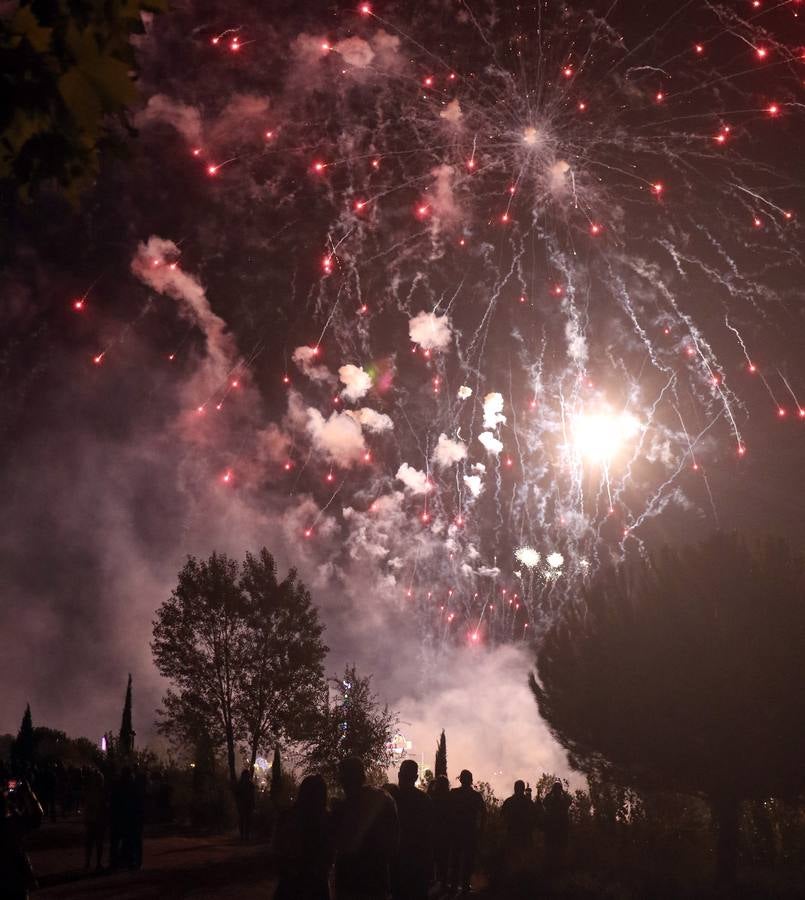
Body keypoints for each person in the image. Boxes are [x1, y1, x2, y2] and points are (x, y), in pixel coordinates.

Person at [331, 756, 399, 900]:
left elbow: (334, 843)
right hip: (376, 881)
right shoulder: (384, 799)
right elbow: (393, 843)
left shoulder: (342, 808)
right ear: (363, 776)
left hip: (349, 882)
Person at [274, 774, 331, 900]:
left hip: (290, 882)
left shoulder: (288, 817)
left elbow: (278, 848)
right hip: (316, 884)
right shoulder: (327, 820)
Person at [392, 760, 432, 900]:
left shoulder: (391, 798)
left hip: (397, 861)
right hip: (417, 862)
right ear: (415, 778)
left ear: (399, 775)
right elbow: (429, 834)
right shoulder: (424, 800)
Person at [0, 778, 43, 899]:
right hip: (14, 878)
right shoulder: (10, 824)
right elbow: (36, 817)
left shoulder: (10, 822)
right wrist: (28, 793)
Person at [448, 770, 485, 895]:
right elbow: (484, 813)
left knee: (455, 860)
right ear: (470, 780)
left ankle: (454, 886)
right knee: (468, 860)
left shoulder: (453, 793)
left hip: (456, 832)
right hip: (470, 833)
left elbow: (446, 812)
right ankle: (464, 886)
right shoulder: (476, 796)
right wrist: (481, 829)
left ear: (461, 779)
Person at [542, 781, 572, 873]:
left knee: (555, 852)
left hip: (555, 832)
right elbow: (569, 800)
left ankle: (554, 871)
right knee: (559, 852)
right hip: (558, 832)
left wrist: (552, 792)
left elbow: (545, 802)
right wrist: (563, 791)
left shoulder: (553, 801)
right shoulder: (562, 802)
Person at [429, 775, 451, 889]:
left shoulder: (433, 796)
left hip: (434, 831)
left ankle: (433, 880)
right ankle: (443, 883)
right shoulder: (450, 798)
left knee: (433, 858)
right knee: (444, 859)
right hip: (446, 833)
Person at [83, 770, 107, 871]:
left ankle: (89, 862)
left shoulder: (90, 791)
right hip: (98, 820)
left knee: (90, 842)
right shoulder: (102, 792)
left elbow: (87, 806)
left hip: (92, 819)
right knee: (98, 843)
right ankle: (97, 863)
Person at [235, 768, 256, 842]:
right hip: (244, 805)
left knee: (246, 820)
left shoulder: (246, 785)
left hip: (246, 805)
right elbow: (238, 795)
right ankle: (244, 836)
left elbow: (252, 796)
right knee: (244, 820)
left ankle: (244, 836)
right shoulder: (248, 785)